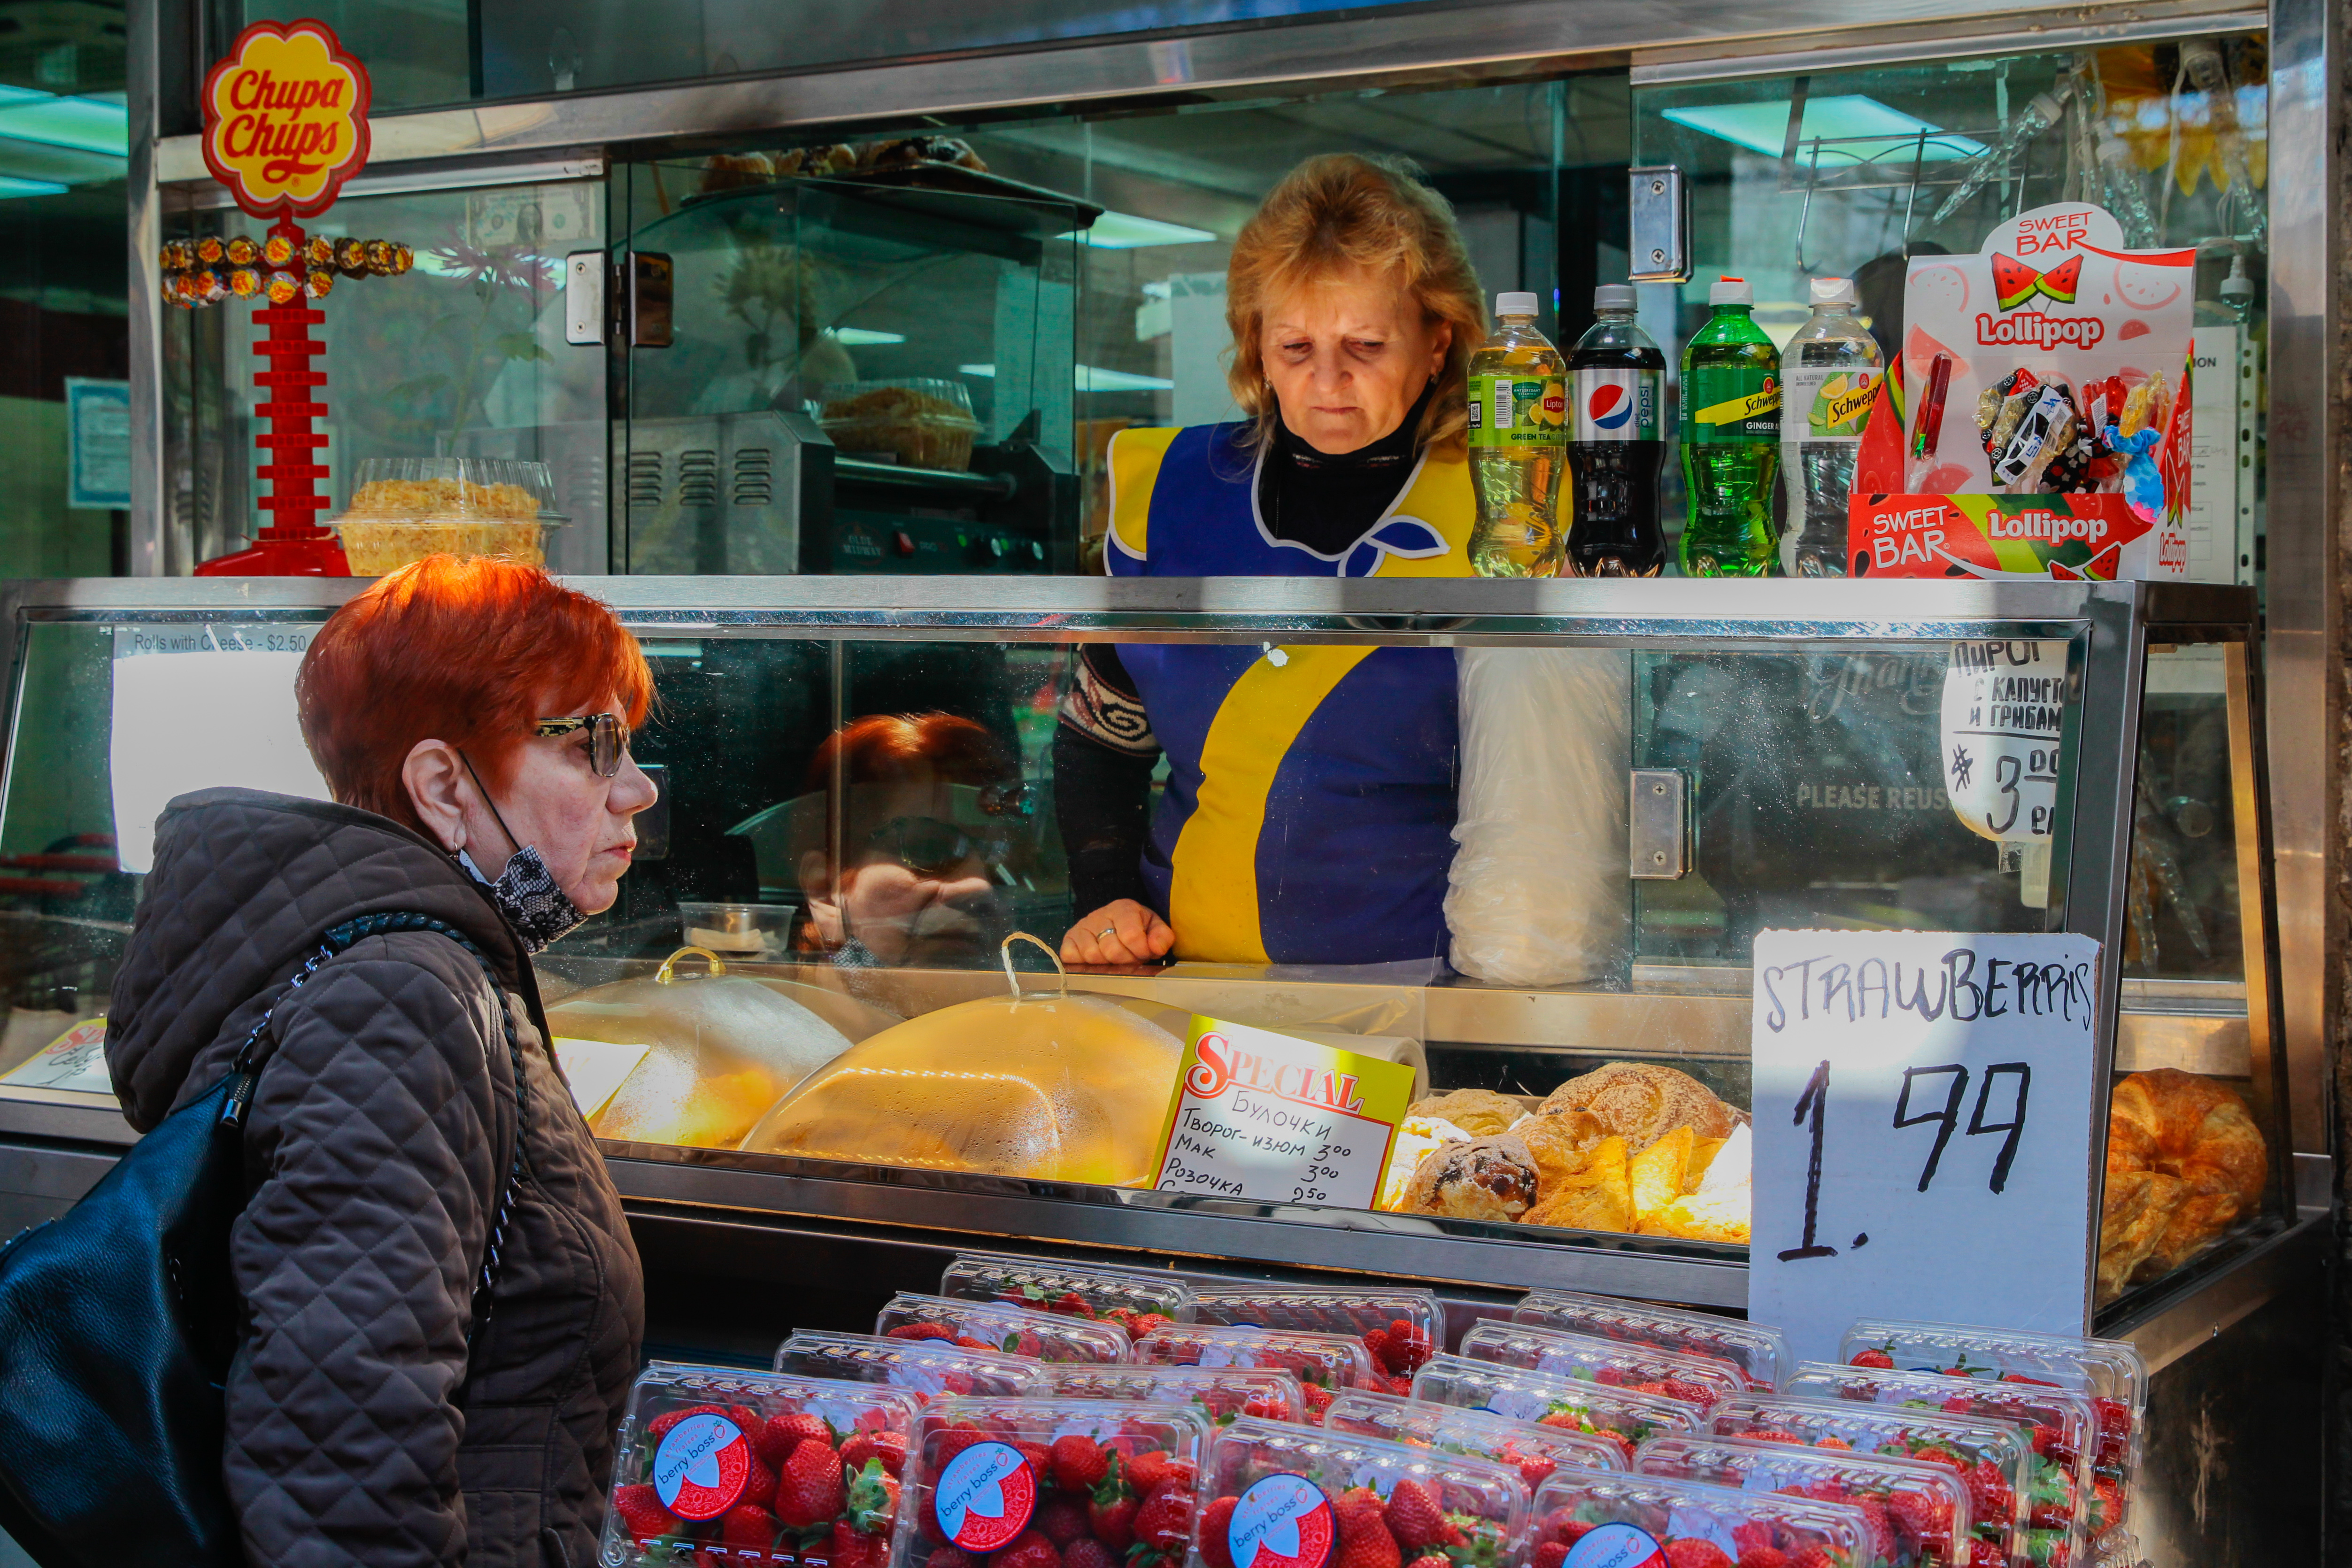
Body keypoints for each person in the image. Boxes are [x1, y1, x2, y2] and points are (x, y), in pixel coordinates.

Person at [104, 556, 658, 1568]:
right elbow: (340, 1466)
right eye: (594, 745)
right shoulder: (402, 998)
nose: (636, 788)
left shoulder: (422, 968)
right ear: (443, 785)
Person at [1057, 152, 1487, 968]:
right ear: (1255, 345)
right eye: (1294, 346)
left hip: (1428, 982)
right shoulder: (1165, 489)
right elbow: (1100, 739)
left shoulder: (1511, 507)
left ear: (1438, 340)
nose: (1327, 380)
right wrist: (1105, 898)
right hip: (1187, 980)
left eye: (1365, 344)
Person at [769, 711, 1023, 967]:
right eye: (929, 851)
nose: (980, 888)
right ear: (824, 888)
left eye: (998, 865)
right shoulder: (763, 993)